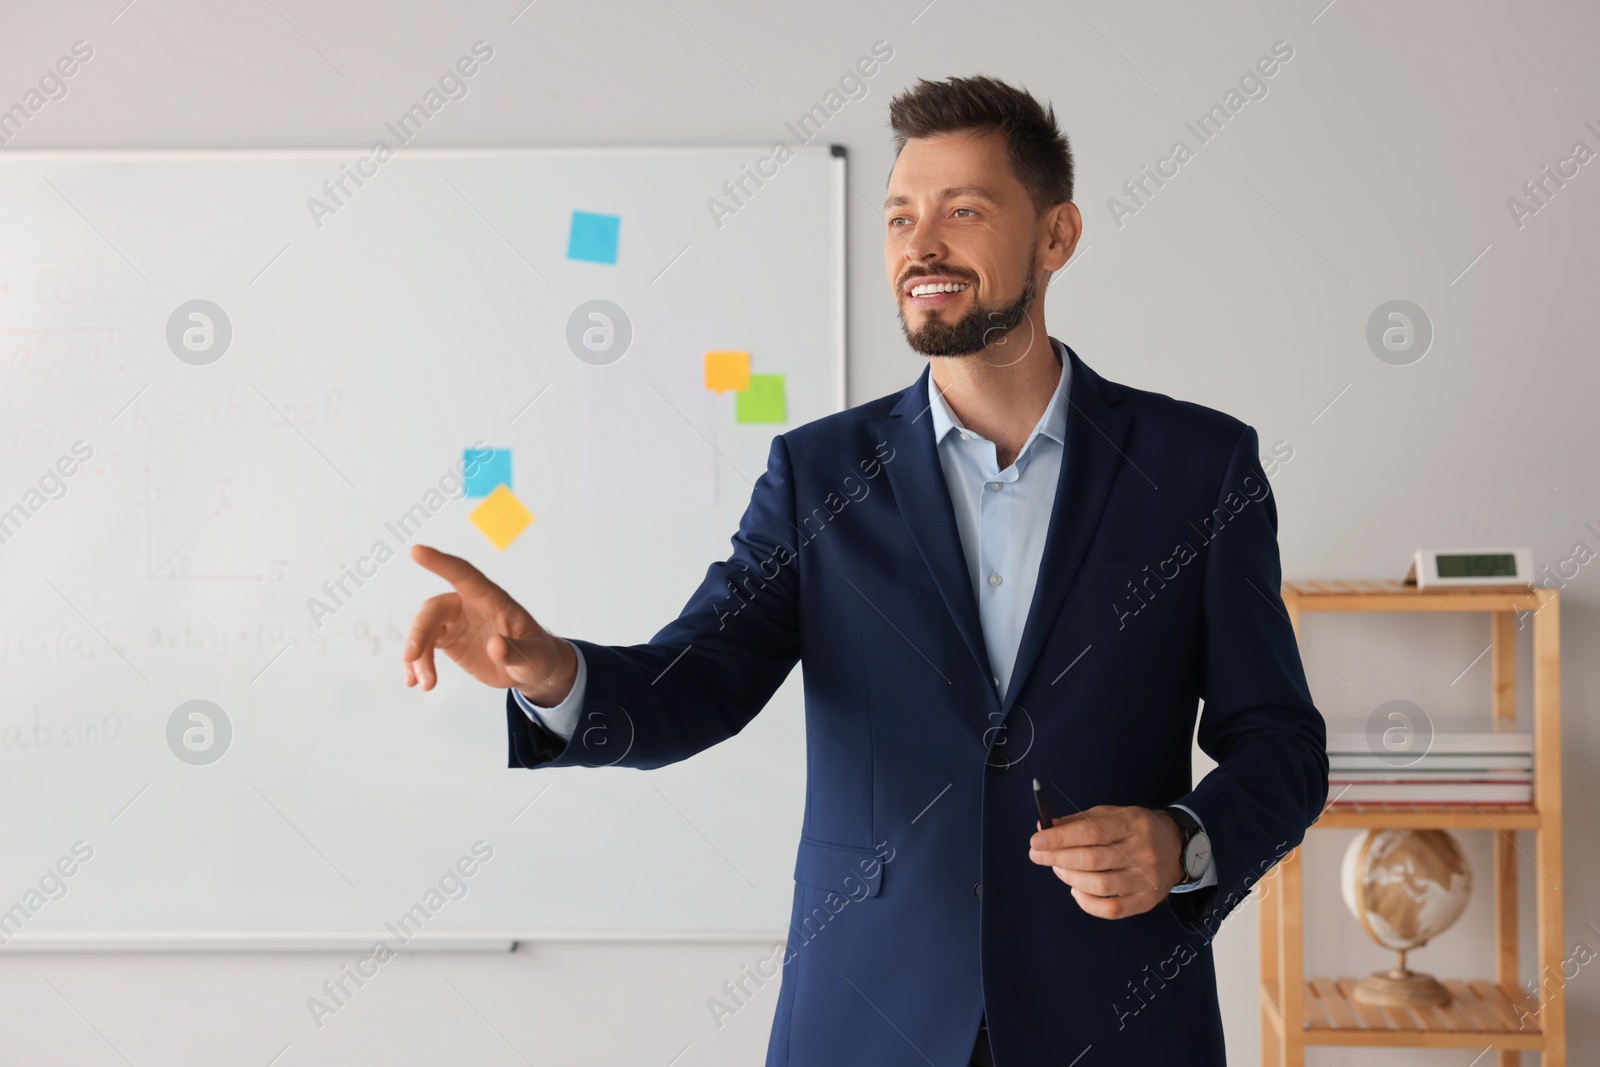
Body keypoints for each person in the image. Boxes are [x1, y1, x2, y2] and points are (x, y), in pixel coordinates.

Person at [402, 74, 1327, 1066]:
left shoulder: (1197, 467)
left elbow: (1281, 747)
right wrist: (549, 672)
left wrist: (1184, 842)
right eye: (899, 216)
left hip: (1116, 1016)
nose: (920, 246)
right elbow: (697, 682)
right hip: (866, 1015)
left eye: (962, 210)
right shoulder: (817, 475)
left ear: (1055, 237)